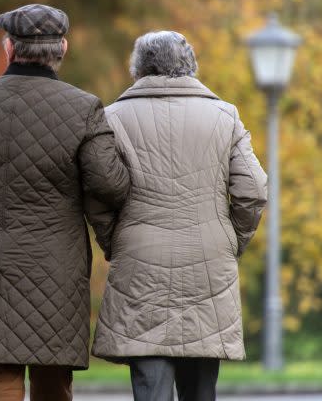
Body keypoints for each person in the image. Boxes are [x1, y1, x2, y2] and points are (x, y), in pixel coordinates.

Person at [0, 4, 131, 401]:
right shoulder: (84, 108)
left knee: (1, 378)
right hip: (58, 266)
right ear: (62, 48)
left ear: (8, 48)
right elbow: (109, 185)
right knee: (53, 383)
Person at [90, 31, 268, 401]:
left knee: (151, 384)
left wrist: (113, 238)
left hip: (140, 262)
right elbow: (252, 189)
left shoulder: (111, 117)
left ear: (138, 67)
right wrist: (233, 239)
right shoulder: (225, 116)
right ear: (190, 65)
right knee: (201, 387)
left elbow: (98, 191)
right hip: (208, 262)